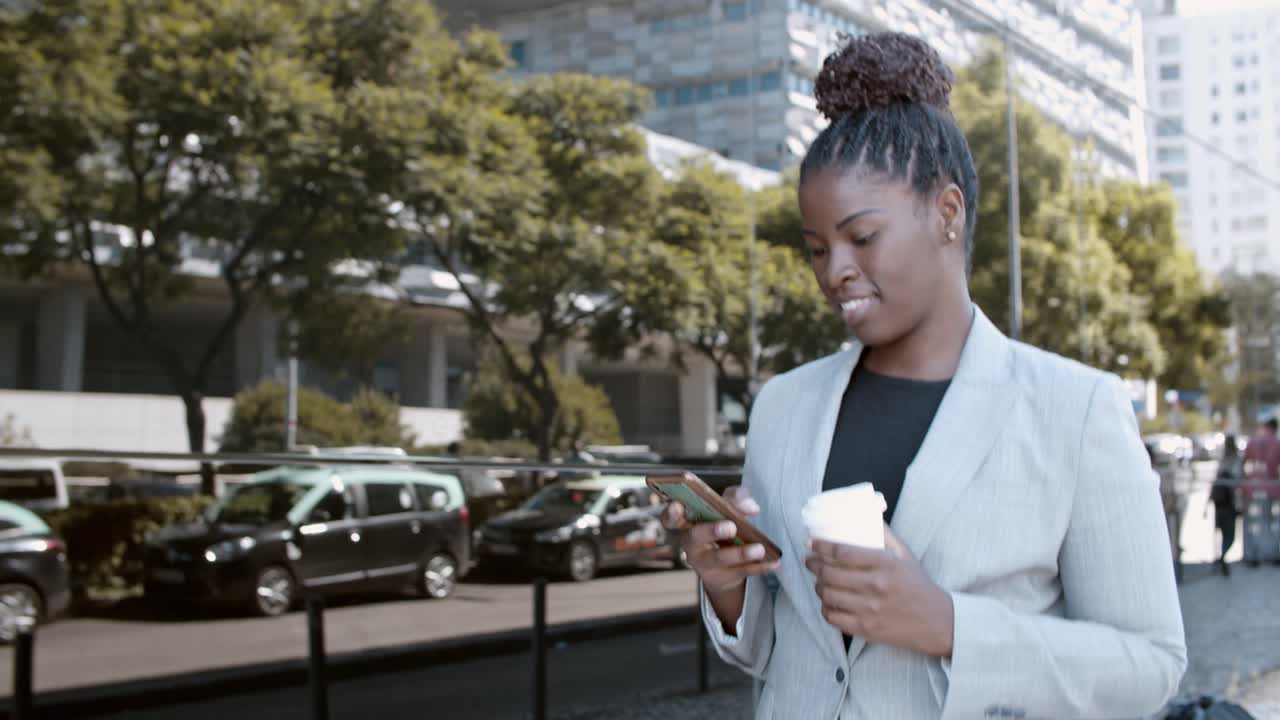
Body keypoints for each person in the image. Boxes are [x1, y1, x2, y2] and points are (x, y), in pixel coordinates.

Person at [662, 32, 1186, 719]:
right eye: (818, 248)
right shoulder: (784, 406)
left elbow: (1150, 667)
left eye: (862, 237)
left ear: (947, 214)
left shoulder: (1076, 408)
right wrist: (725, 586)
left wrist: (946, 624)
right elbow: (778, 649)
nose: (835, 270)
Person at [1208, 434, 1243, 576]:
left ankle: (1221, 556)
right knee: (1230, 535)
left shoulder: (1222, 461)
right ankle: (1222, 557)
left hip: (1219, 504)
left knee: (1222, 533)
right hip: (1229, 504)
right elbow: (1237, 482)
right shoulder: (1236, 460)